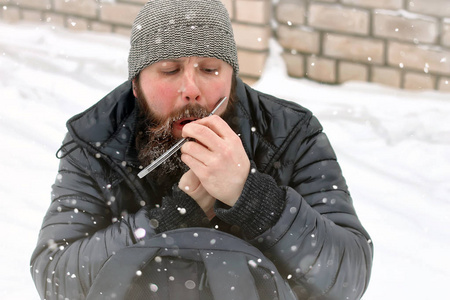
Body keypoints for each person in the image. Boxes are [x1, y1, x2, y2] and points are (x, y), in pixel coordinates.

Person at [30, 0, 373, 299]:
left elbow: (348, 277)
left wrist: (253, 198)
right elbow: (56, 279)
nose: (191, 89)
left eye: (210, 69)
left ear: (232, 78)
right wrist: (170, 218)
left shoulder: (289, 133)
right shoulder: (97, 142)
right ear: (135, 85)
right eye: (170, 69)